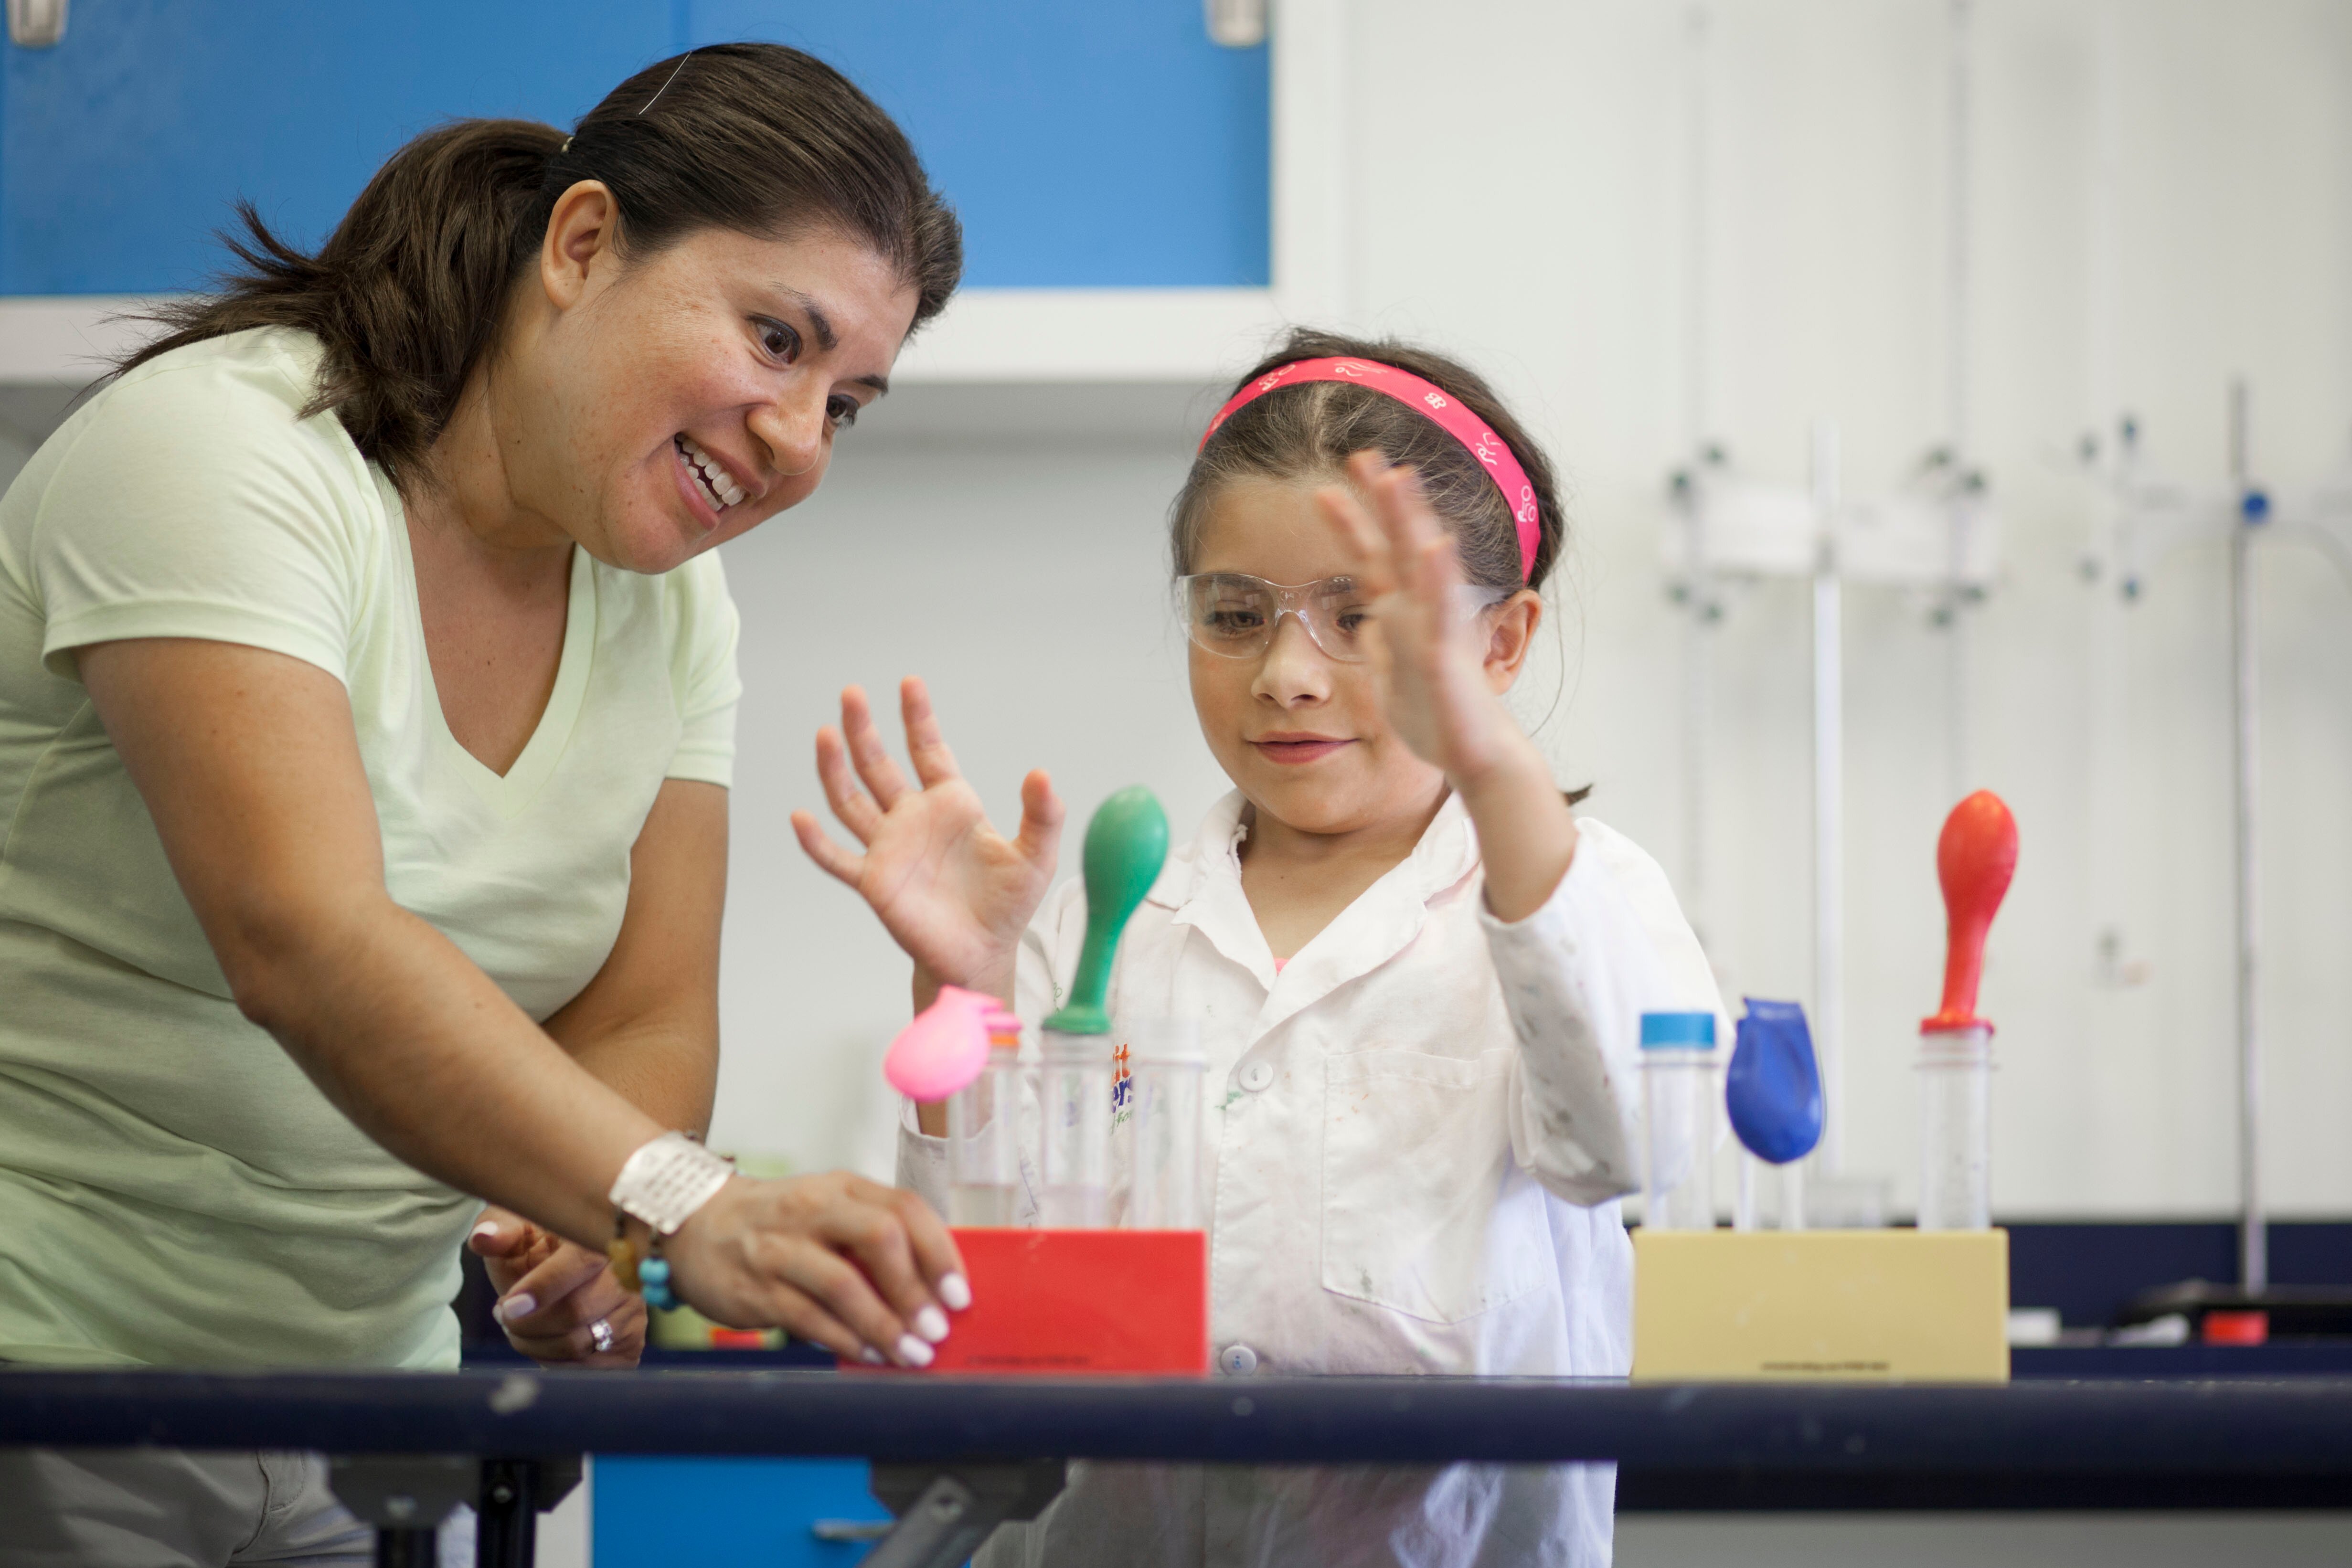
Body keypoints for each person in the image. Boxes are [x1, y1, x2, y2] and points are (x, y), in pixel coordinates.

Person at [0, 44, 973, 1564]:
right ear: (581, 245)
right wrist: (678, 1202)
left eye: (847, 402)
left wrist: (595, 1233)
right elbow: (307, 941)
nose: (797, 437)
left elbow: (648, 1012)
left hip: (371, 1415)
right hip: (50, 1387)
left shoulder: (673, 606)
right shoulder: (225, 457)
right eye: (777, 338)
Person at [795, 329, 1730, 1567]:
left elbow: (1632, 1149)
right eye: (1235, 614)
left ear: (1499, 643)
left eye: (1363, 620)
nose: (1287, 672)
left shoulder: (1591, 894)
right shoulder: (1105, 922)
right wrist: (959, 996)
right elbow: (977, 1303)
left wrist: (1499, 769)